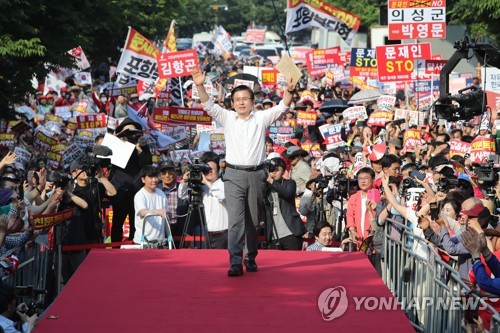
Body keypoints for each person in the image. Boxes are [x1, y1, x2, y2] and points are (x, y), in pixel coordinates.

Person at [191, 66, 294, 276]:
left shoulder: (261, 118)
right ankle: (235, 261)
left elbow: (283, 106)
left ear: (252, 101)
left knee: (253, 221)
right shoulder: (228, 117)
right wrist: (200, 85)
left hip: (256, 175)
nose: (240, 102)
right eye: (237, 99)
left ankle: (251, 256)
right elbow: (208, 105)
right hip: (233, 175)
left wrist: (289, 91)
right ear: (232, 102)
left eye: (244, 98)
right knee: (236, 219)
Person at [109, 117, 152, 243]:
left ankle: (134, 246)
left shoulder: (143, 147)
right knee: (117, 222)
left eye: (133, 131)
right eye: (128, 131)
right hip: (120, 189)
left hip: (137, 189)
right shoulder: (116, 145)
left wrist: (138, 147)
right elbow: (107, 160)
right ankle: (115, 249)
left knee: (135, 222)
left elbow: (147, 164)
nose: (131, 133)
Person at [178, 152, 229, 249]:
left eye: (211, 169)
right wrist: (184, 181)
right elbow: (182, 195)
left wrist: (206, 182)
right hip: (206, 234)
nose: (209, 172)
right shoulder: (202, 187)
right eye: (206, 169)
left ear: (218, 169)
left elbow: (222, 196)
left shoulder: (224, 184)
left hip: (223, 234)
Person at [265, 157, 307, 250]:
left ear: (284, 172)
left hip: (291, 233)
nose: (274, 172)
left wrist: (272, 181)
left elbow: (287, 193)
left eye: (277, 170)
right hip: (273, 235)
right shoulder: (265, 187)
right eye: (271, 170)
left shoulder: (290, 183)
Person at [133, 166, 169, 245]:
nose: (154, 180)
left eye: (155, 177)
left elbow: (166, 214)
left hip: (160, 241)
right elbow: (142, 212)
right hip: (143, 242)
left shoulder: (161, 193)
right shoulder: (140, 195)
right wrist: (156, 211)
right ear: (143, 179)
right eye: (150, 177)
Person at [157, 160, 188, 245]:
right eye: (164, 173)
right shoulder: (156, 190)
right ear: (160, 175)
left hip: (180, 228)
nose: (167, 176)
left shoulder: (183, 188)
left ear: (174, 173)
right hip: (162, 228)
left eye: (170, 172)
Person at [346, 167, 377, 248]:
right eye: (360, 178)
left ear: (373, 179)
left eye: (366, 178)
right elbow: (349, 216)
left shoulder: (376, 194)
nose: (363, 181)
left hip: (374, 239)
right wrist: (352, 231)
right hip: (358, 239)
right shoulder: (354, 197)